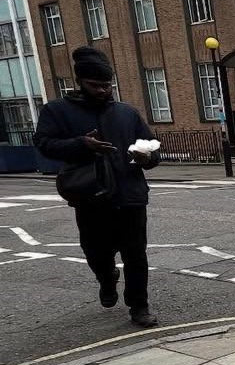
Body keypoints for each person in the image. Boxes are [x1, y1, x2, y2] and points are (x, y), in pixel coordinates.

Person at [33, 46, 161, 328]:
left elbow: (153, 151)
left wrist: (146, 156)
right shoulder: (57, 111)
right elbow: (43, 144)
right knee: (96, 252)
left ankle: (139, 305)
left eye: (107, 85)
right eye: (95, 85)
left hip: (129, 195)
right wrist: (81, 144)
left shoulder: (127, 113)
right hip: (91, 197)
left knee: (136, 254)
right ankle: (106, 277)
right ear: (80, 82)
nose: (103, 91)